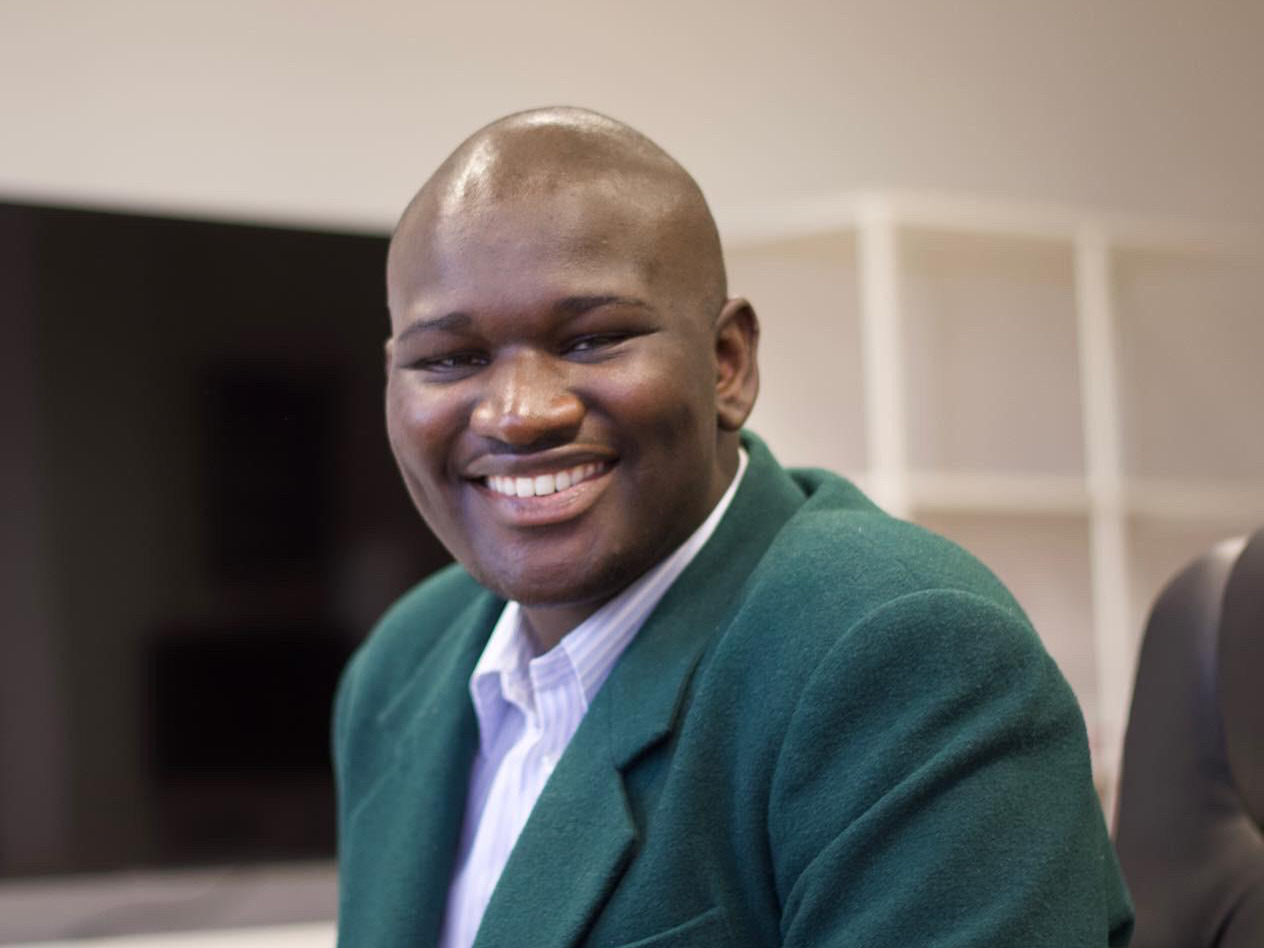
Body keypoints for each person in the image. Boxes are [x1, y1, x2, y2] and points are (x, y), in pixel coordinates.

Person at [333, 106, 1134, 948]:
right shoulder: (402, 667)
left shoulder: (905, 653)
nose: (520, 412)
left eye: (593, 340)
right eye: (449, 359)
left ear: (728, 364)